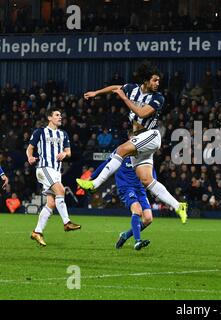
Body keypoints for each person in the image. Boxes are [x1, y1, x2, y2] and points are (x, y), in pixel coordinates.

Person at [76, 63, 187, 223]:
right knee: (147, 180)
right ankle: (178, 206)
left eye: (158, 81)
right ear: (146, 80)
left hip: (150, 136)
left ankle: (94, 184)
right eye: (155, 80)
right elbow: (116, 87)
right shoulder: (132, 88)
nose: (157, 83)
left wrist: (124, 98)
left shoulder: (158, 98)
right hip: (139, 141)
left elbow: (141, 112)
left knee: (120, 150)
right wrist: (97, 93)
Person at [27, 107, 81, 247]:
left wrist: (65, 154)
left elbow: (68, 152)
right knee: (61, 191)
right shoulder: (40, 132)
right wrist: (30, 157)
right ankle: (67, 222)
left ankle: (37, 232)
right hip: (44, 168)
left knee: (51, 203)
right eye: (57, 115)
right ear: (49, 118)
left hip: (56, 172)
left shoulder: (63, 134)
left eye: (61, 115)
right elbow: (30, 148)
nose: (60, 117)